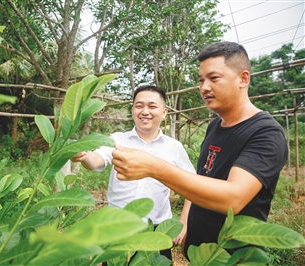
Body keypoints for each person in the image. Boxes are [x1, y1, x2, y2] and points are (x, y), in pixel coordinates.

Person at [111, 42, 288, 259]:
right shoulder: (215, 125)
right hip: (200, 255)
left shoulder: (265, 132)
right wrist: (187, 226)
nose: (204, 87)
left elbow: (233, 199)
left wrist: (154, 168)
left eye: (213, 78)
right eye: (201, 80)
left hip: (232, 257)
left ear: (243, 79)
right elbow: (201, 181)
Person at [71, 85, 196, 263]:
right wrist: (83, 155)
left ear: (164, 112)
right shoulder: (117, 140)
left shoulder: (174, 147)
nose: (145, 111)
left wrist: (183, 221)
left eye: (152, 106)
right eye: (139, 106)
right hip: (118, 226)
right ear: (132, 110)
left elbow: (191, 184)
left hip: (158, 229)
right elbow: (95, 160)